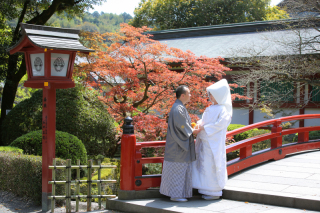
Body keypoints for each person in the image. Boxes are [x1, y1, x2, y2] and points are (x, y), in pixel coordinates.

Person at [192, 79, 232, 200]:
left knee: (212, 164)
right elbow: (204, 120)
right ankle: (204, 188)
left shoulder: (223, 109)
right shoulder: (210, 108)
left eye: (213, 95)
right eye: (210, 94)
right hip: (205, 140)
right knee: (203, 164)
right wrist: (198, 124)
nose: (210, 97)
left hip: (214, 142)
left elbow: (221, 124)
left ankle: (214, 191)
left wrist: (204, 127)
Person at [160, 85, 197, 202]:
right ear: (183, 95)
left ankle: (181, 194)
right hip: (178, 146)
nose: (190, 95)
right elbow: (183, 127)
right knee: (178, 170)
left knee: (181, 170)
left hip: (178, 145)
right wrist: (193, 130)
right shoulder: (178, 108)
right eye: (189, 93)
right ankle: (175, 195)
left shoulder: (179, 107)